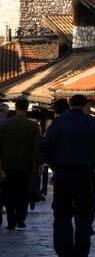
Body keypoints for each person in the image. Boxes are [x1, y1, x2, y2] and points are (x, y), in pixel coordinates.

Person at [40, 94, 95, 256]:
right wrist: (92, 155)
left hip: (63, 173)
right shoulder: (93, 123)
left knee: (62, 214)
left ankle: (63, 251)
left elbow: (44, 146)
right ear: (85, 105)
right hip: (85, 174)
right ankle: (80, 252)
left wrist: (53, 160)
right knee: (84, 215)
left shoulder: (58, 123)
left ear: (69, 104)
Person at [0, 97, 41, 229]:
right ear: (27, 108)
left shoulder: (4, 125)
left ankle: (11, 220)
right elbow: (36, 146)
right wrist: (40, 163)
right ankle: (21, 217)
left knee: (9, 192)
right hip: (25, 164)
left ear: (15, 108)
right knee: (23, 192)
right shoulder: (33, 126)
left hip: (7, 164)